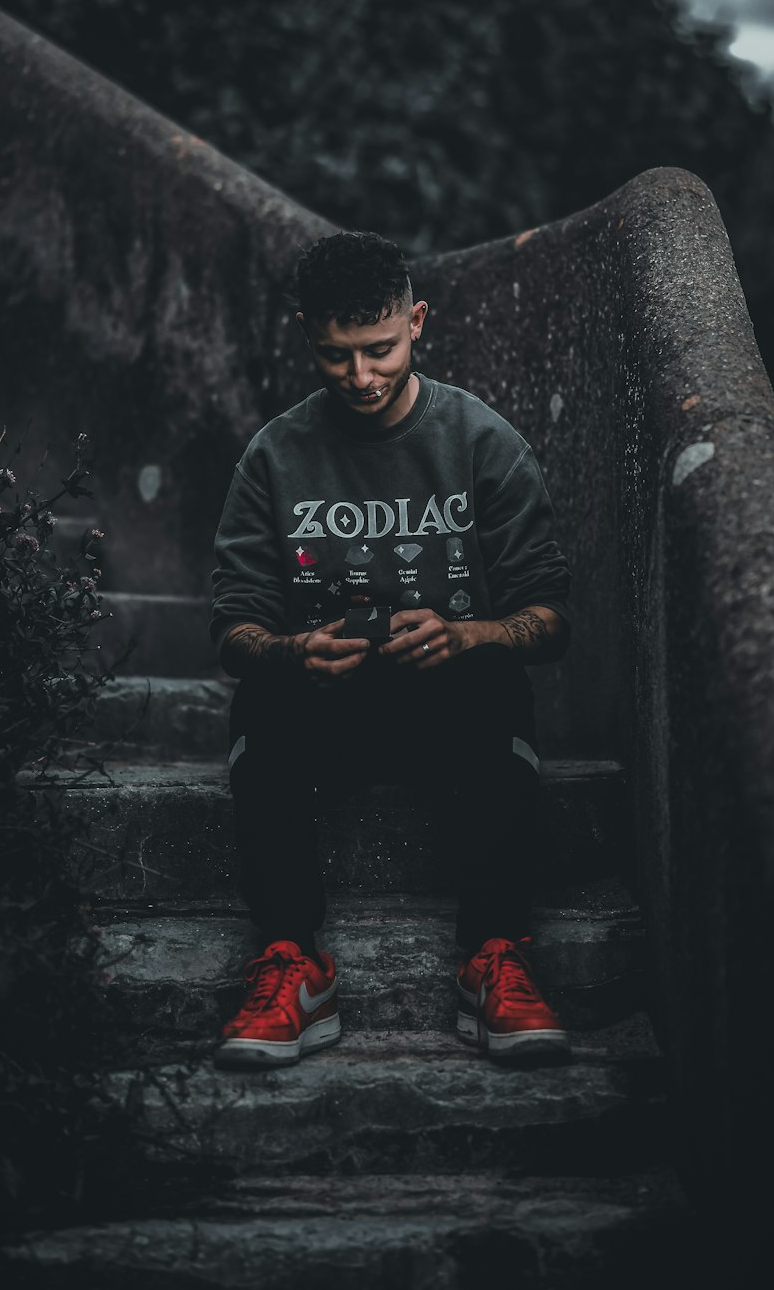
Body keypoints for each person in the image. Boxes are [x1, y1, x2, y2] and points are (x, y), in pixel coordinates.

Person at [209, 230, 572, 1067]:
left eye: (380, 349)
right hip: (323, 713)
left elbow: (551, 618)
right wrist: (292, 650)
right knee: (261, 695)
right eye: (336, 356)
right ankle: (291, 961)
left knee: (496, 678)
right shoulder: (274, 456)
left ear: (417, 321)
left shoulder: (483, 443)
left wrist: (469, 631)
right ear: (307, 334)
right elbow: (233, 630)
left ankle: (495, 954)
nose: (362, 377)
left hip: (450, 713)